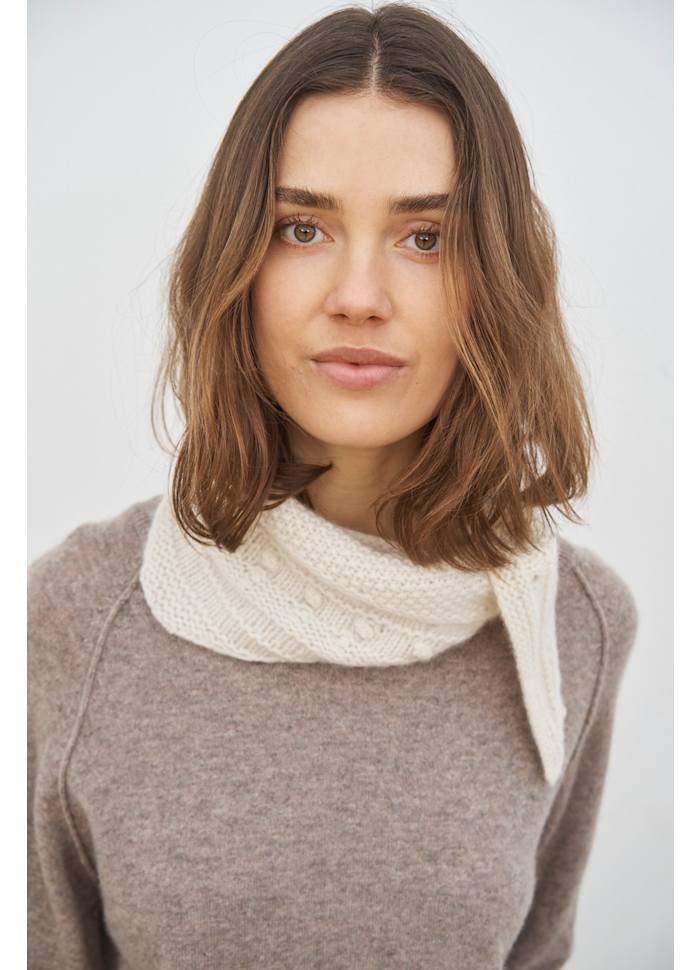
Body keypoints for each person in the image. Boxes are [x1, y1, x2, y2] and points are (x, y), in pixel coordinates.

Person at [27, 3, 639, 968]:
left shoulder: (577, 623)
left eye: (425, 238)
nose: (358, 296)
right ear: (235, 261)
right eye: (302, 228)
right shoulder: (77, 612)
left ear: (498, 279)